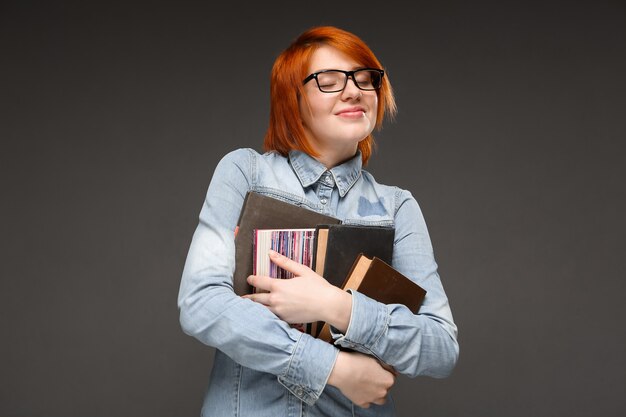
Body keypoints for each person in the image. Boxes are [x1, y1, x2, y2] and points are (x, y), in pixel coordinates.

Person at [178, 25, 459, 416]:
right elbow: (202, 304)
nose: (354, 91)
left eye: (366, 79)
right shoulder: (245, 174)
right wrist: (334, 368)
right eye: (328, 80)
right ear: (292, 100)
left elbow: (441, 347)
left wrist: (336, 306)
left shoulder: (397, 208)